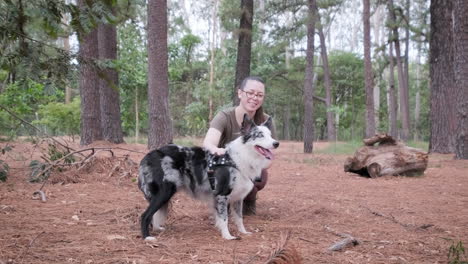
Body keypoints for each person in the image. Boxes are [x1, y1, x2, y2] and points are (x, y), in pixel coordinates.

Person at [203, 76, 276, 215]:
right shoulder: (224, 116)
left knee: (259, 176)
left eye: (259, 95)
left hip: (249, 166)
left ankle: (248, 199)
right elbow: (208, 143)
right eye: (250, 93)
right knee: (228, 179)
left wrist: (255, 163)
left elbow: (269, 157)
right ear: (240, 93)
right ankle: (221, 197)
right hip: (222, 166)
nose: (255, 98)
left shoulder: (265, 121)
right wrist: (216, 150)